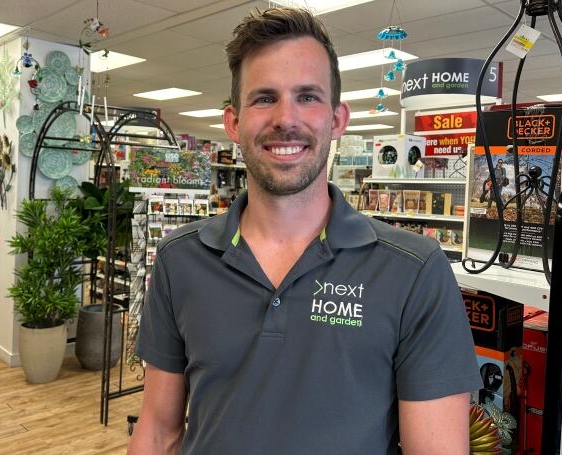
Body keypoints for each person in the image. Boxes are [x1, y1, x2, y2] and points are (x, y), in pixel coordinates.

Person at [128, 7, 481, 455]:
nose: (286, 118)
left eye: (308, 96)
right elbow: (158, 432)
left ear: (337, 119)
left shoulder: (413, 270)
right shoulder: (181, 259)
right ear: (233, 122)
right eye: (264, 98)